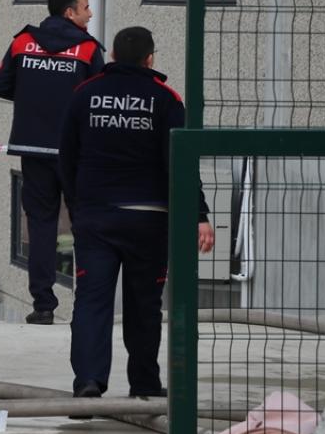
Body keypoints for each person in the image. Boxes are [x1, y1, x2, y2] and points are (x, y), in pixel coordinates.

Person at [58, 26, 214, 400]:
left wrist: (78, 206)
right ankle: (144, 382)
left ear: (111, 56)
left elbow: (66, 157)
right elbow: (180, 163)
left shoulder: (85, 94)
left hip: (96, 216)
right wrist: (199, 214)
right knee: (144, 305)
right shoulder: (166, 99)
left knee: (92, 300)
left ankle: (89, 380)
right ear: (150, 59)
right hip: (149, 218)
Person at [0, 0, 104, 325]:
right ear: (69, 12)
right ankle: (87, 303)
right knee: (85, 225)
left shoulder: (23, 41)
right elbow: (99, 97)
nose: (90, 13)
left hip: (33, 148)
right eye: (86, 7)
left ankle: (43, 306)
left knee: (41, 226)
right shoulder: (87, 49)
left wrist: (33, 94)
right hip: (74, 153)